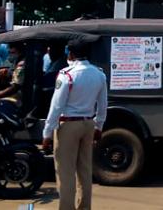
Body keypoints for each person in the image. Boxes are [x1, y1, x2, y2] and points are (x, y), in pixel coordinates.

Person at [42, 39, 108, 210]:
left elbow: (56, 106)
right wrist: (99, 126)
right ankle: (84, 207)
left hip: (68, 126)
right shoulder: (99, 74)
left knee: (65, 172)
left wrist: (47, 134)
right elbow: (102, 104)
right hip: (88, 124)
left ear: (70, 54)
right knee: (85, 170)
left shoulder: (67, 75)